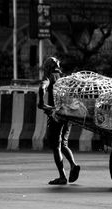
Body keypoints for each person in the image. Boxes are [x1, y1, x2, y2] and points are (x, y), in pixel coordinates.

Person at [37, 57, 80, 185]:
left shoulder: (50, 77)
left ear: (48, 67)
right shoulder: (64, 78)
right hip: (68, 115)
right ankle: (73, 165)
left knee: (56, 146)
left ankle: (62, 176)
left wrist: (41, 102)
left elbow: (42, 88)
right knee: (63, 144)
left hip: (56, 116)